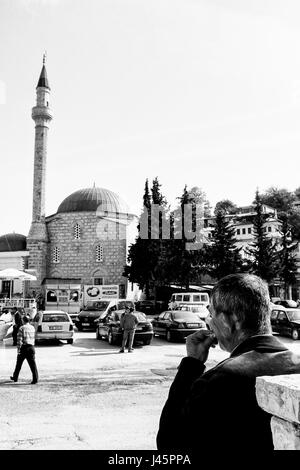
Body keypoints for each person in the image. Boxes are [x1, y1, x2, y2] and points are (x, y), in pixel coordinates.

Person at [157, 273, 300, 452]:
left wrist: (191, 365)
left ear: (229, 320)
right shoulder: (297, 367)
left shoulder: (218, 381)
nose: (209, 323)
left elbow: (169, 444)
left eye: (211, 314)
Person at [10, 315, 38, 384]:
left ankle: (15, 377)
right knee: (33, 364)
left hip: (24, 348)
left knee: (18, 364)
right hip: (31, 347)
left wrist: (18, 350)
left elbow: (19, 340)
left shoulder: (21, 328)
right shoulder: (32, 328)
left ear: (23, 320)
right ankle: (35, 379)